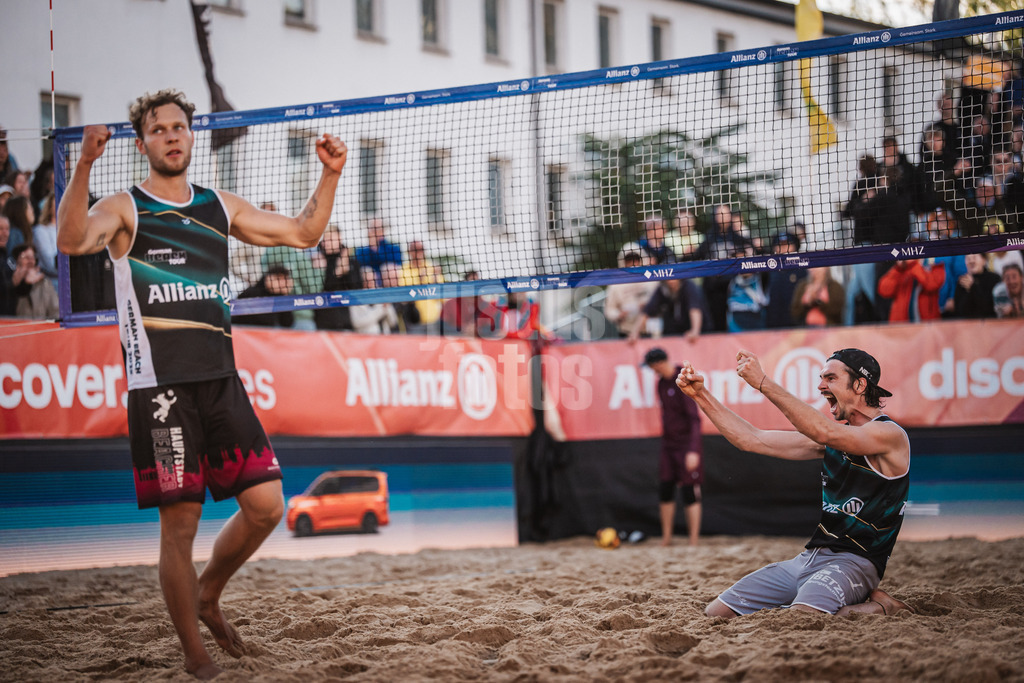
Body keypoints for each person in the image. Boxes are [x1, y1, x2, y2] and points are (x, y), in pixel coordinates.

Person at [56, 89, 348, 680]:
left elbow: (303, 233)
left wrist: (331, 173)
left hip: (221, 381)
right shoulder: (124, 208)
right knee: (180, 527)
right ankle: (195, 656)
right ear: (143, 144)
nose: (170, 135)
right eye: (159, 129)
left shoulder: (219, 205)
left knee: (267, 507)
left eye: (179, 127)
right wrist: (83, 163)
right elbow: (69, 240)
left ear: (191, 136)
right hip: (161, 391)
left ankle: (209, 595)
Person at [675, 348, 913, 618]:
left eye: (831, 378)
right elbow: (750, 439)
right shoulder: (833, 439)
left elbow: (824, 430)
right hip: (809, 559)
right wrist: (700, 395)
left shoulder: (890, 434)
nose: (821, 385)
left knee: (801, 619)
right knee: (716, 613)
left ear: (859, 384)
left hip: (855, 563)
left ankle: (883, 606)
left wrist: (763, 382)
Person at [643, 347, 703, 547]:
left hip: (686, 444)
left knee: (689, 490)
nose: (652, 371)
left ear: (659, 363)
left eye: (652, 367)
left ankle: (693, 541)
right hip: (668, 444)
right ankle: (666, 539)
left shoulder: (682, 380)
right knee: (665, 488)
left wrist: (693, 450)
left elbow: (695, 419)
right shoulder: (660, 383)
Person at [630, 277, 708, 343]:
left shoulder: (689, 287)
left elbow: (694, 310)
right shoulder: (662, 289)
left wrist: (695, 331)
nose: (671, 281)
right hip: (675, 334)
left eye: (674, 278)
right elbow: (647, 311)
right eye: (668, 279)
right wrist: (635, 332)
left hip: (701, 333)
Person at [604, 243, 657, 338]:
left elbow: (661, 302)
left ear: (641, 259)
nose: (633, 263)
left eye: (636, 259)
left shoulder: (652, 279)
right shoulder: (615, 284)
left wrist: (649, 307)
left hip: (649, 331)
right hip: (626, 332)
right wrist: (619, 315)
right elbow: (609, 309)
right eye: (629, 260)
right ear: (623, 261)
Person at [877, 258, 946, 323]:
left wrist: (913, 264)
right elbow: (884, 290)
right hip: (901, 324)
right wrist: (898, 269)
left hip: (927, 323)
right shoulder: (901, 268)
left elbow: (932, 284)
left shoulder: (933, 263)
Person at [397, 240, 444, 333]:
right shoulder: (403, 270)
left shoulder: (431, 268)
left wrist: (434, 279)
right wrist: (420, 281)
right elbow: (406, 296)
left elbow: (441, 297)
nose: (418, 253)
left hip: (432, 320)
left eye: (421, 250)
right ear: (409, 252)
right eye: (415, 250)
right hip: (413, 320)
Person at [10, 244, 59, 319]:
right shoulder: (10, 283)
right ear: (17, 261)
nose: (30, 261)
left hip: (42, 328)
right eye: (26, 257)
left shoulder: (45, 283)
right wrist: (25, 284)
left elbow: (56, 311)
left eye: (32, 257)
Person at [354, 217, 402, 286]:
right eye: (373, 229)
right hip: (373, 282)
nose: (376, 232)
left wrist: (376, 249)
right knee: (368, 274)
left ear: (383, 231)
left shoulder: (393, 248)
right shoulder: (362, 251)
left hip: (387, 281)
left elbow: (397, 262)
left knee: (391, 270)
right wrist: (373, 247)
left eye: (378, 229)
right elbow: (360, 263)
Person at [951, 253, 1001, 319]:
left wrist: (973, 287)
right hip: (967, 326)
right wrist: (968, 291)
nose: (971, 261)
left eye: (974, 257)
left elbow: (989, 308)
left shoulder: (994, 279)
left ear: (984, 260)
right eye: (968, 259)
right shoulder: (962, 281)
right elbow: (959, 311)